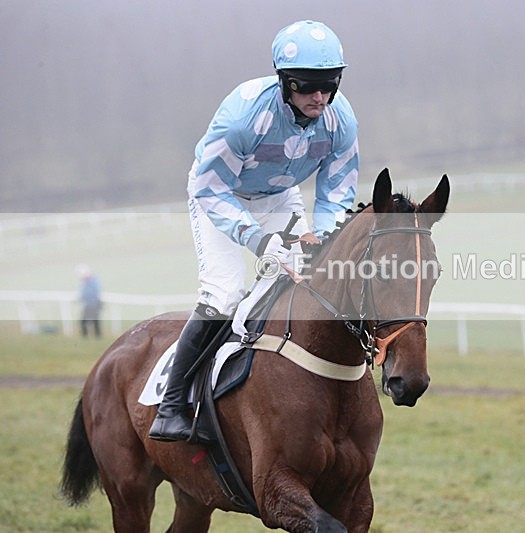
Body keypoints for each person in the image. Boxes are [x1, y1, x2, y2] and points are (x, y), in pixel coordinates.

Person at [149, 20, 359, 442]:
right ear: (285, 83)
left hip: (279, 197)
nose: (320, 98)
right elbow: (212, 190)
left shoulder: (341, 120)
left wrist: (324, 236)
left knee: (301, 278)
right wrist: (259, 240)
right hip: (219, 196)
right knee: (225, 292)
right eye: (307, 88)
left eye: (329, 86)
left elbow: (336, 192)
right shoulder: (243, 119)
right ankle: (172, 404)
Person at [76, 264, 102, 338]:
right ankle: (90, 336)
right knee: (92, 321)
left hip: (93, 304)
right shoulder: (88, 282)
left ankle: (94, 336)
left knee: (92, 321)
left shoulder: (94, 281)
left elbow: (91, 293)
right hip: (90, 304)